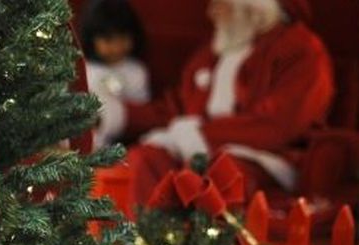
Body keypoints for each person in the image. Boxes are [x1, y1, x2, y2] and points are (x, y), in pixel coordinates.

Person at [110, 0, 333, 208]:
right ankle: (144, 243)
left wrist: (202, 136)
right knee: (143, 159)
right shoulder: (212, 53)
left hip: (262, 157)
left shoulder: (301, 49)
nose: (211, 12)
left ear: (254, 10)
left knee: (219, 172)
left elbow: (279, 123)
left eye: (221, 4)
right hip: (198, 148)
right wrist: (116, 114)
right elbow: (174, 109)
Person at [81, 0, 150, 149]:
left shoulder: (136, 71)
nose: (117, 47)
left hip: (123, 143)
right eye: (108, 40)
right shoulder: (85, 69)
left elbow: (140, 114)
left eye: (123, 38)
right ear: (92, 39)